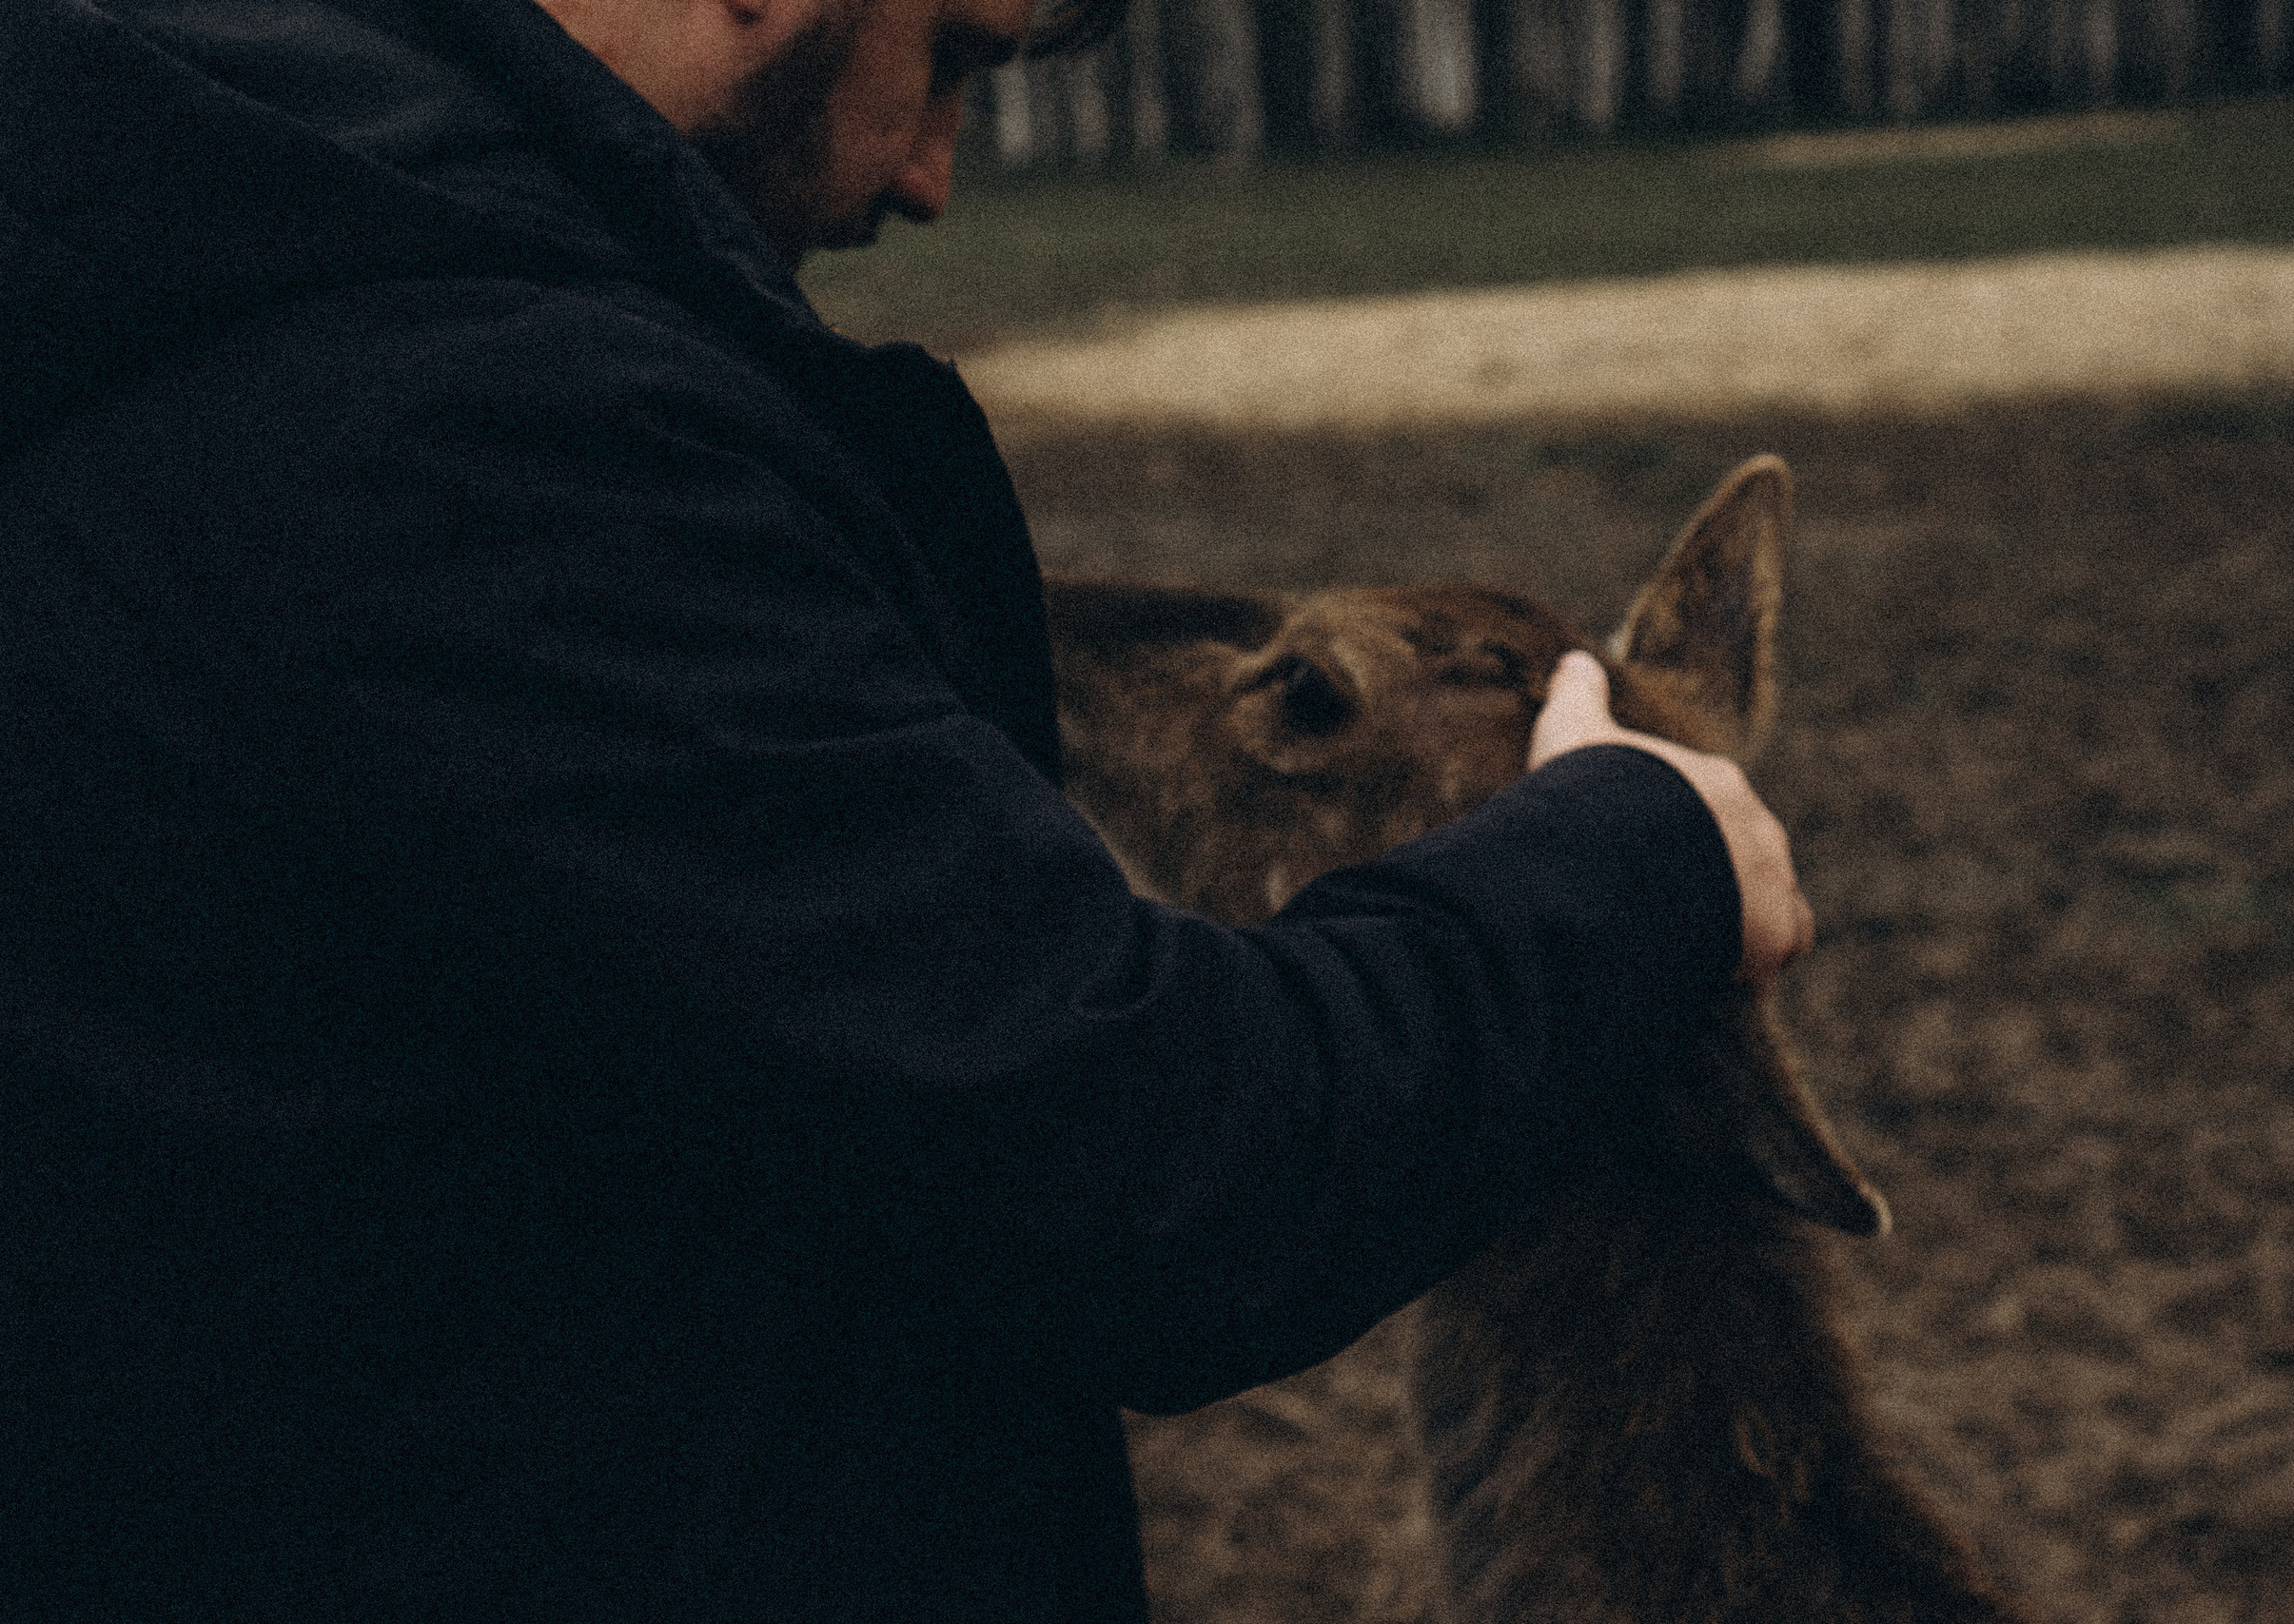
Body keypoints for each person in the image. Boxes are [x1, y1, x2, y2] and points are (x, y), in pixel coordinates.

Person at [0, 0, 1812, 1617]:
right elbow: (1151, 1158)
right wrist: (1638, 850)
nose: (936, 175)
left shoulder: (247, 289)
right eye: (949, 53)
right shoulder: (463, 426)